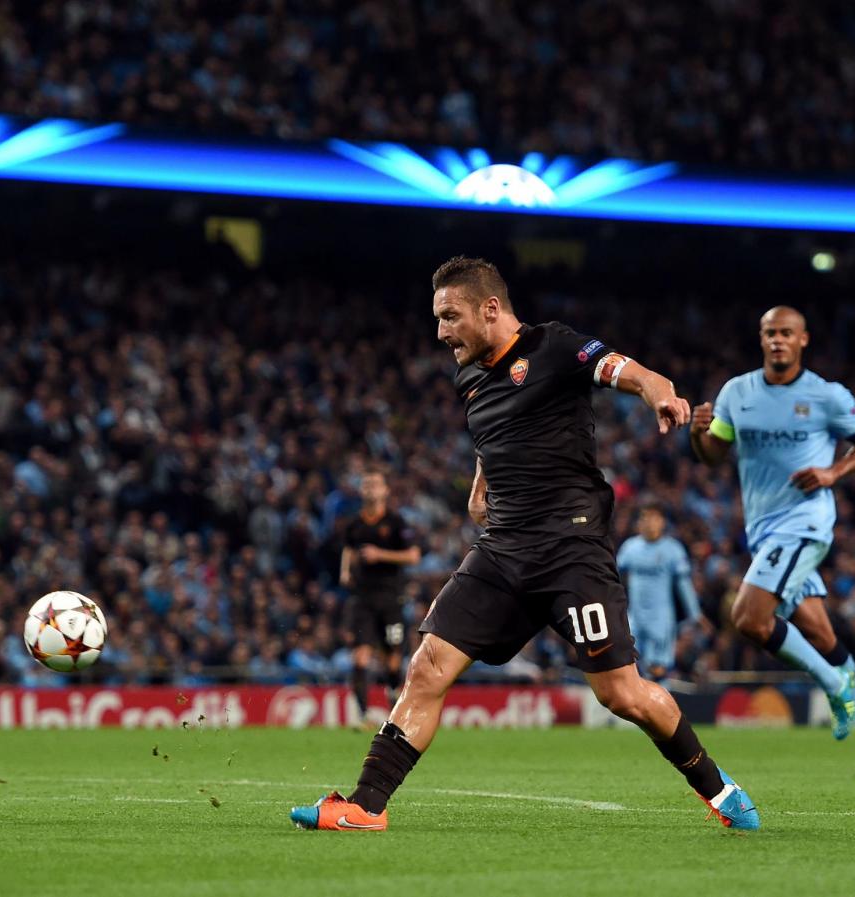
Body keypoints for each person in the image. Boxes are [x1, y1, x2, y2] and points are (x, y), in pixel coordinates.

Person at [291, 256, 759, 832]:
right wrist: (480, 486)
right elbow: (491, 438)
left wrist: (658, 391)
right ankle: (366, 806)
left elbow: (624, 368)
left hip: (571, 550)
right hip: (503, 548)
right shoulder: (470, 377)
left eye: (450, 316)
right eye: (437, 319)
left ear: (490, 308)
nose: (440, 332)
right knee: (427, 666)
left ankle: (720, 790)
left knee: (622, 694)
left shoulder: (554, 347)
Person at [689, 306, 855, 776]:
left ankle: (833, 684)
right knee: (821, 633)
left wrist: (835, 471)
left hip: (804, 523)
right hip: (763, 530)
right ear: (761, 338)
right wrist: (699, 433)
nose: (777, 340)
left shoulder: (825, 395)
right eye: (770, 333)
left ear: (803, 339)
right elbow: (712, 455)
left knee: (748, 617)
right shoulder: (737, 392)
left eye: (786, 333)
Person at [339, 470, 420, 720]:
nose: (370, 488)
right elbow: (348, 549)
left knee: (392, 659)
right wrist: (345, 571)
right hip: (363, 599)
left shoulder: (396, 522)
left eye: (375, 484)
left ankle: (393, 702)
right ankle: (362, 715)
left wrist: (380, 554)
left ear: (385, 490)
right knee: (360, 657)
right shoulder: (354, 524)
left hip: (391, 599)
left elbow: (413, 556)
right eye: (366, 484)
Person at [617, 504, 709, 680]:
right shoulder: (630, 548)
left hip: (660, 620)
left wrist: (695, 614)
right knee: (630, 669)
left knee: (657, 672)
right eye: (644, 517)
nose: (648, 522)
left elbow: (683, 584)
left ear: (662, 522)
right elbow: (613, 578)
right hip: (634, 618)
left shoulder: (673, 549)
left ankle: (661, 695)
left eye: (653, 518)